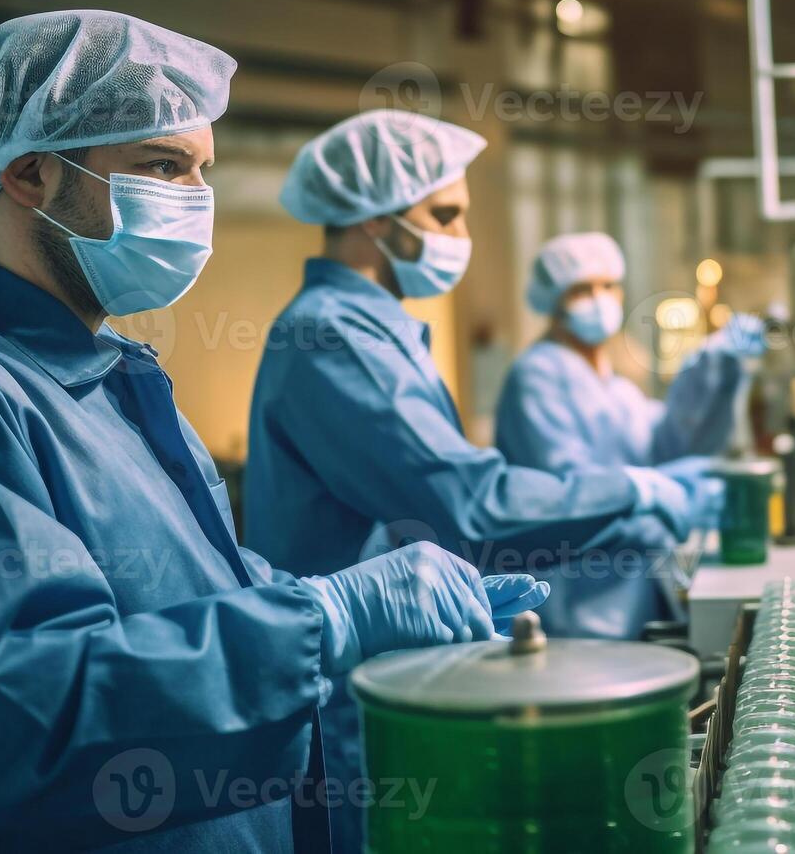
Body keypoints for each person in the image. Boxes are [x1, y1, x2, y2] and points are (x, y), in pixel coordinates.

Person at [0, 12, 546, 853]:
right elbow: (27, 722)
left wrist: (358, 610)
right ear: (30, 174)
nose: (193, 204)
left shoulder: (110, 372)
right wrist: (325, 619)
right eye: (160, 168)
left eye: (201, 172)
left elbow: (199, 587)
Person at [245, 110, 696, 850]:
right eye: (445, 214)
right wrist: (636, 491)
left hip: (394, 674)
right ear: (374, 219)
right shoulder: (333, 335)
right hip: (356, 689)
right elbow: (472, 504)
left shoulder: (376, 329)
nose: (461, 236)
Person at [495, 231, 765, 477]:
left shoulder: (616, 386)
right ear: (553, 303)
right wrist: (648, 490)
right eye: (581, 290)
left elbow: (664, 444)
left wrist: (709, 370)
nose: (599, 299)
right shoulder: (538, 376)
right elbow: (568, 485)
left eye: (608, 286)